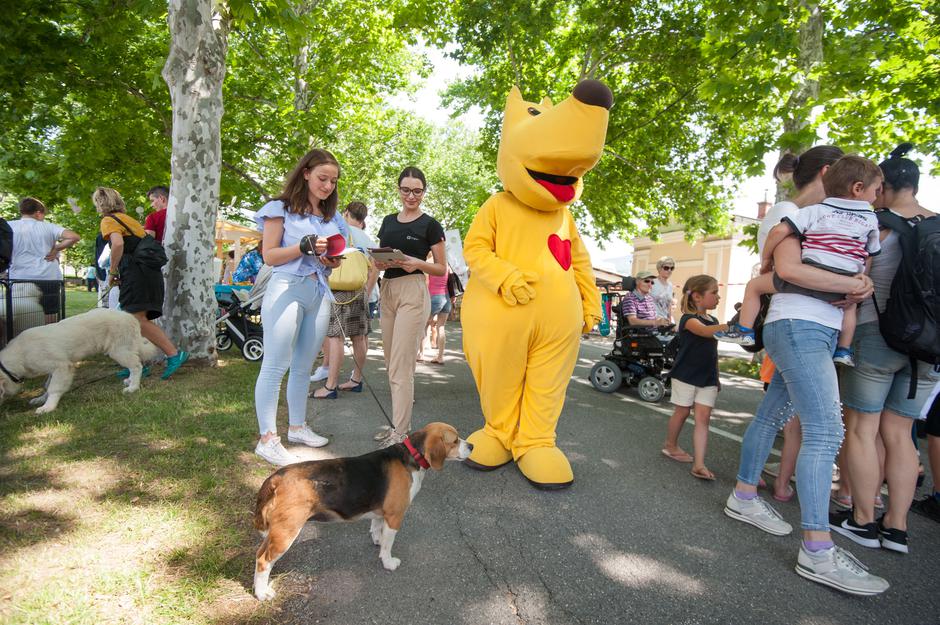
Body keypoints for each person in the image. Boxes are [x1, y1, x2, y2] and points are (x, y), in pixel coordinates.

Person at [721, 160, 888, 594]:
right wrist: (852, 284)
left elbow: (852, 267)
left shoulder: (830, 219)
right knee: (826, 432)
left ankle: (744, 496)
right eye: (874, 189)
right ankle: (816, 550)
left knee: (774, 415)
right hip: (801, 325)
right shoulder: (797, 214)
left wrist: (860, 284)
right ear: (837, 175)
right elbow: (790, 272)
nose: (875, 197)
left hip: (812, 327)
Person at [835, 143, 939, 554]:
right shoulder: (937, 225)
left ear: (884, 187)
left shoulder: (876, 225)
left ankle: (862, 520)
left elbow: (853, 276)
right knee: (900, 434)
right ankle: (897, 527)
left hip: (877, 335)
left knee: (863, 429)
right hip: (928, 347)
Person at [718, 155, 883, 370]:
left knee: (754, 286)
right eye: (876, 190)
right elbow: (869, 253)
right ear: (858, 188)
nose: (877, 196)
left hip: (812, 273)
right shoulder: (871, 220)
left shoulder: (813, 212)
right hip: (836, 288)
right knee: (850, 308)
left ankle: (744, 330)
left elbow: (778, 233)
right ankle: (843, 349)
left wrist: (766, 259)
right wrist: (859, 280)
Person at [251, 148, 347, 466]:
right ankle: (267, 439)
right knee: (275, 364)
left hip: (318, 291)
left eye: (333, 181)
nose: (328, 186)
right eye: (323, 178)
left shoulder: (331, 218)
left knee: (304, 365)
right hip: (286, 288)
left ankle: (297, 427)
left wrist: (331, 260)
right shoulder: (280, 209)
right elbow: (270, 255)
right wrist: (301, 247)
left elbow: (332, 260)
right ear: (305, 173)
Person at [373, 167, 446, 446]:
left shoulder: (430, 225)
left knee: (401, 367)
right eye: (406, 190)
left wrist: (417, 262)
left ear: (424, 192)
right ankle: (397, 426)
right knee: (391, 363)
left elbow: (441, 268)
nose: (411, 196)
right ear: (399, 189)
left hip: (413, 290)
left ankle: (400, 434)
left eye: (417, 191)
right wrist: (378, 264)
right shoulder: (388, 221)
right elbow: (378, 261)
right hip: (387, 288)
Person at [93, 187, 188, 380]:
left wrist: (113, 271)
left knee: (136, 319)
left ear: (100, 203)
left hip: (137, 274)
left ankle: (173, 354)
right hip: (147, 273)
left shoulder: (108, 220)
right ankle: (137, 364)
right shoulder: (129, 220)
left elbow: (118, 244)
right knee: (131, 320)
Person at [661, 275, 728, 480]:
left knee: (703, 419)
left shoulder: (713, 321)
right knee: (682, 412)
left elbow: (713, 353)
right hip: (685, 375)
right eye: (714, 293)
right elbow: (705, 332)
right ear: (697, 297)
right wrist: (732, 325)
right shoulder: (688, 320)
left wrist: (716, 377)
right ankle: (670, 445)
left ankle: (699, 465)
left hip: (707, 378)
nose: (718, 297)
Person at [311, 201, 378, 399]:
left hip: (338, 290)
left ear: (346, 213)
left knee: (335, 338)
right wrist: (367, 289)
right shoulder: (367, 237)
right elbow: (375, 267)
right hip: (359, 290)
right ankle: (356, 379)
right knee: (359, 337)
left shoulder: (336, 231)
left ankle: (330, 386)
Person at [8, 197, 81, 323]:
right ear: (38, 213)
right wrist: (56, 248)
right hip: (48, 277)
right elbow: (74, 237)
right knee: (50, 313)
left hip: (18, 278)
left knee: (19, 314)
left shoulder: (9, 226)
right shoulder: (48, 227)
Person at [420, 255, 450, 364]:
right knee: (441, 327)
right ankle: (440, 357)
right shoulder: (446, 262)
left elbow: (426, 282)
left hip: (434, 297)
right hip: (446, 297)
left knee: (424, 326)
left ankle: (421, 354)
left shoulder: (428, 262)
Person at [650, 256, 676, 321]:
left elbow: (669, 304)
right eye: (666, 268)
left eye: (672, 268)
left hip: (665, 321)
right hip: (652, 320)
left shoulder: (670, 285)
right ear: (659, 268)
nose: (669, 270)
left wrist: (670, 319)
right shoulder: (651, 282)